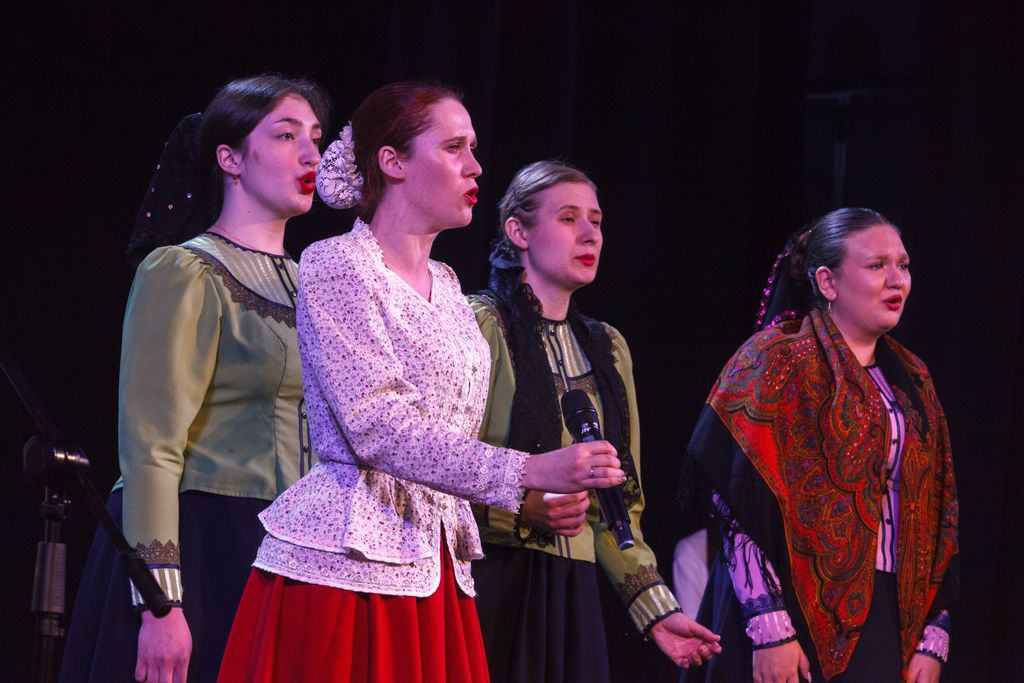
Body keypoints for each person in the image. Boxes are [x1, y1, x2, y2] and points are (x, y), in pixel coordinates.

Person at [216, 83, 628, 683]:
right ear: (394, 161)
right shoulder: (338, 264)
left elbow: (451, 436)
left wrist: (522, 497)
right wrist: (526, 471)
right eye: (454, 148)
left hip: (438, 564)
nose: (475, 166)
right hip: (349, 564)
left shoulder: (450, 287)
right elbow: (377, 426)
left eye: (473, 148)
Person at [59, 74, 329, 683]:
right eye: (286, 136)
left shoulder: (321, 286)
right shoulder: (184, 270)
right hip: (203, 538)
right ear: (230, 159)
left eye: (315, 137)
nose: (310, 154)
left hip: (292, 547)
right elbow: (151, 447)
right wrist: (161, 601)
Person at [467, 160, 721, 682]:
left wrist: (657, 611)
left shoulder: (607, 347)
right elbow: (436, 463)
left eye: (596, 220)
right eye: (568, 218)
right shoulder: (479, 324)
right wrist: (520, 505)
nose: (590, 234)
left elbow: (618, 506)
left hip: (572, 590)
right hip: (491, 576)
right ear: (518, 231)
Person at [681, 208, 959, 682]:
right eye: (876, 265)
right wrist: (770, 626)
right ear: (828, 282)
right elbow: (738, 504)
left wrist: (934, 633)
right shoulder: (777, 360)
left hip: (889, 617)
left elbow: (940, 510)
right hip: (784, 609)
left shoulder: (913, 378)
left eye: (903, 265)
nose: (897, 280)